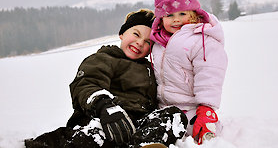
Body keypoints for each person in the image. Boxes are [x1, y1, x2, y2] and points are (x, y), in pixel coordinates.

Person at [25, 9, 188, 148]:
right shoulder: (105, 58)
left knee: (174, 116)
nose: (139, 43)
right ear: (122, 34)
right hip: (106, 119)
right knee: (93, 138)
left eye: (147, 42)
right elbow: (86, 84)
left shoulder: (149, 69)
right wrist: (104, 105)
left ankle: (145, 144)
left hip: (138, 125)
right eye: (136, 34)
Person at [150, 0, 228, 145]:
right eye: (169, 15)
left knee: (199, 131)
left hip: (192, 108)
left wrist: (206, 106)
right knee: (156, 130)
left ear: (193, 14)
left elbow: (210, 74)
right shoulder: (158, 42)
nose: (176, 19)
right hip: (163, 107)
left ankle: (209, 134)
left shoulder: (201, 39)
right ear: (161, 18)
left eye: (182, 13)